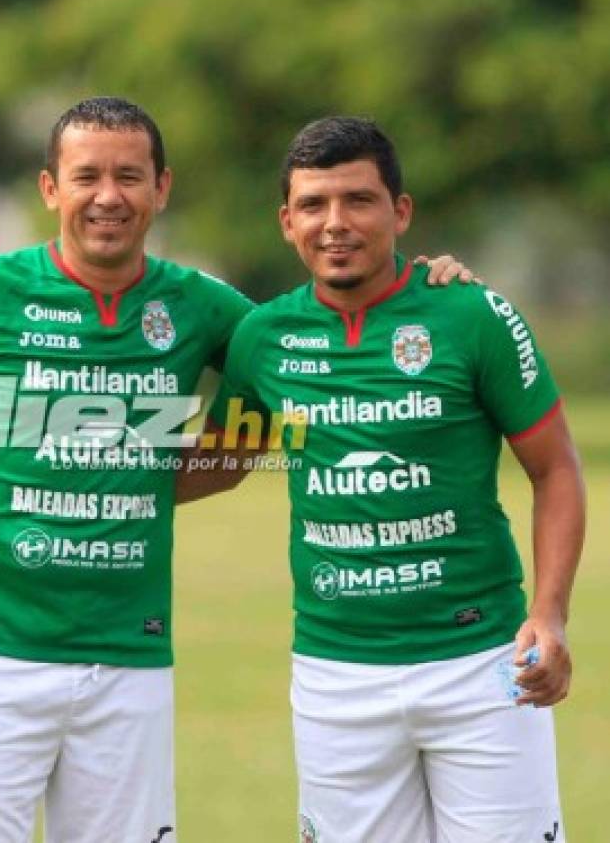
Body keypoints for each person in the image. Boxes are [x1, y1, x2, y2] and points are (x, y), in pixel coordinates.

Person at [0, 97, 472, 843]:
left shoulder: (199, 305)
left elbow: (307, 346)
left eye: (130, 176)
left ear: (161, 189)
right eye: (86, 176)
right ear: (49, 190)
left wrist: (431, 293)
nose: (108, 196)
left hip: (132, 660)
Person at [179, 116, 585, 842]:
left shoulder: (473, 315)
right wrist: (67, 468)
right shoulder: (263, 338)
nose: (335, 223)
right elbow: (219, 463)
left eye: (358, 201)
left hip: (484, 665)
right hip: (337, 676)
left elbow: (555, 469)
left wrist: (549, 614)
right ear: (286, 222)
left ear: (400, 212)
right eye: (313, 205)